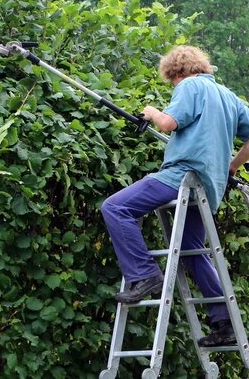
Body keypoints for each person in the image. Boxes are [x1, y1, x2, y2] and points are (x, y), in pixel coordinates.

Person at [101, 45, 249, 347]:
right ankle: (225, 323)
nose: (173, 85)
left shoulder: (189, 86)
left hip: (181, 176)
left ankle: (143, 274)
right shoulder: (229, 97)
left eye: (172, 81)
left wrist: (152, 112)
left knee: (115, 207)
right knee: (191, 248)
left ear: (177, 72)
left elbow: (168, 124)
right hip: (209, 186)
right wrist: (232, 166)